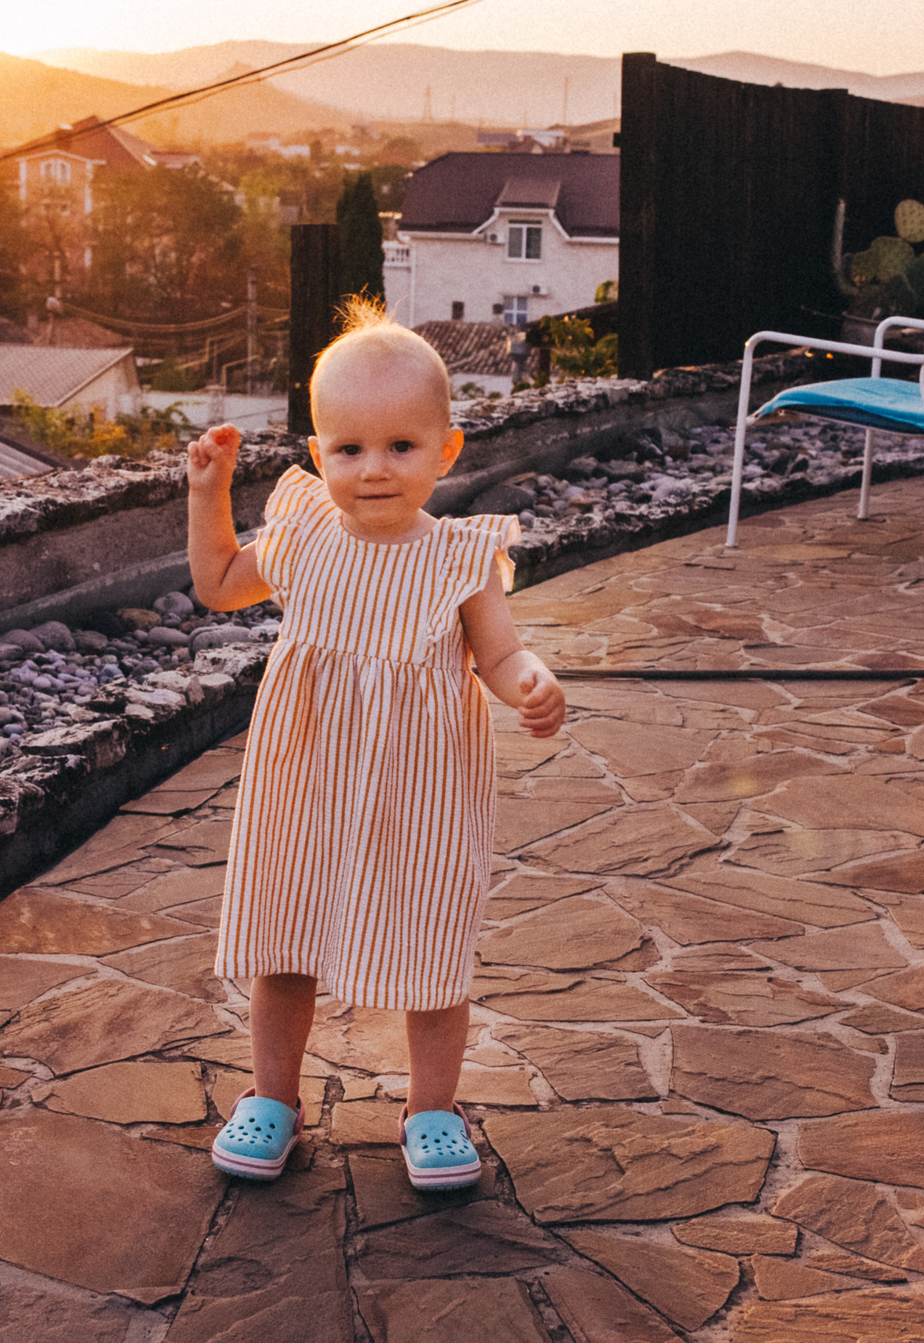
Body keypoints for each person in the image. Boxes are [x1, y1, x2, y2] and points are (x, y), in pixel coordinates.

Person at [184, 297, 566, 1191]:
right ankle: (273, 1095)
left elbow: (499, 650)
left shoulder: (459, 556)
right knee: (286, 936)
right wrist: (208, 495)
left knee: (431, 943)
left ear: (446, 449)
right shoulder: (307, 532)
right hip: (304, 782)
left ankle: (433, 1106)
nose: (374, 469)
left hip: (421, 791)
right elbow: (218, 581)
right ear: (318, 457)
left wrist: (528, 686)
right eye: (349, 449)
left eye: (401, 446)